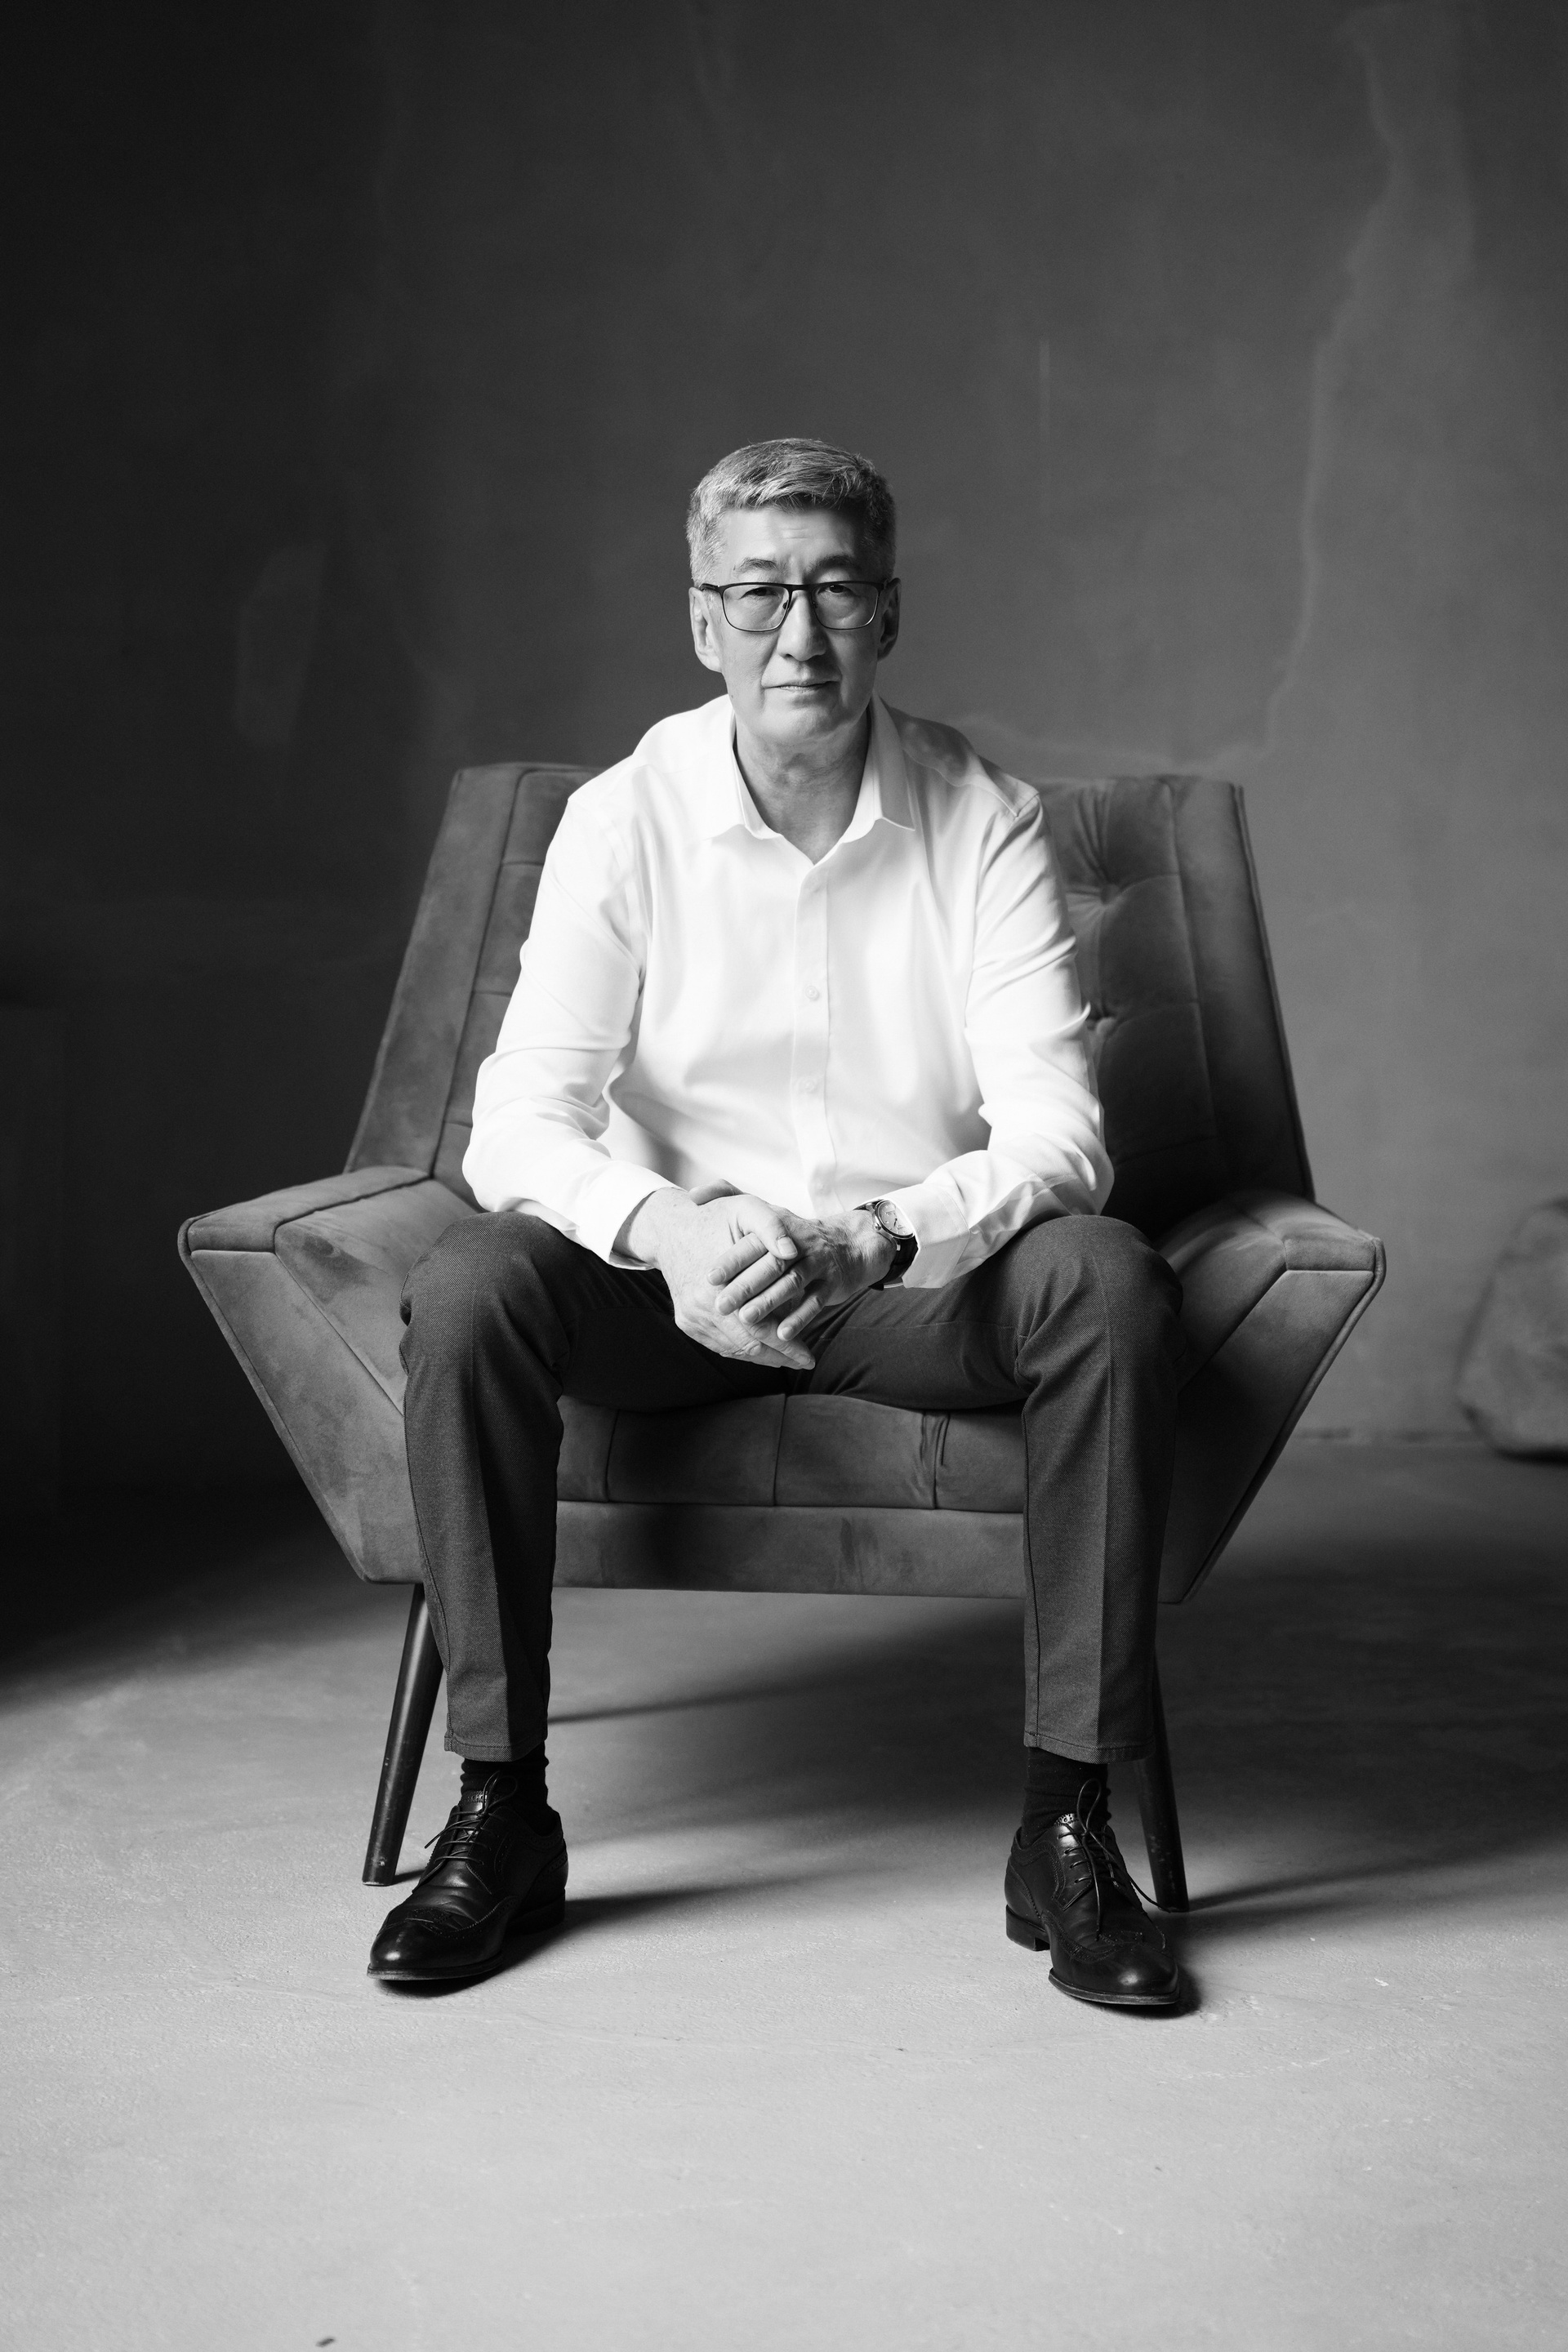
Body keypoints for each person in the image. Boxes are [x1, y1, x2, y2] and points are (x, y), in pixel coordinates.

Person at [370, 438, 1185, 2009]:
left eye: (834, 590)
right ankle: (500, 1807)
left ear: (889, 612)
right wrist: (669, 1233)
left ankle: (1068, 1826)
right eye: (757, 594)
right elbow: (520, 1123)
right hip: (667, 1289)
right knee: (471, 1286)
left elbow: (1060, 1137)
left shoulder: (985, 819)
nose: (796, 633)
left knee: (1107, 1277)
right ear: (703, 621)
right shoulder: (624, 819)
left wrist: (878, 1234)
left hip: (907, 1280)